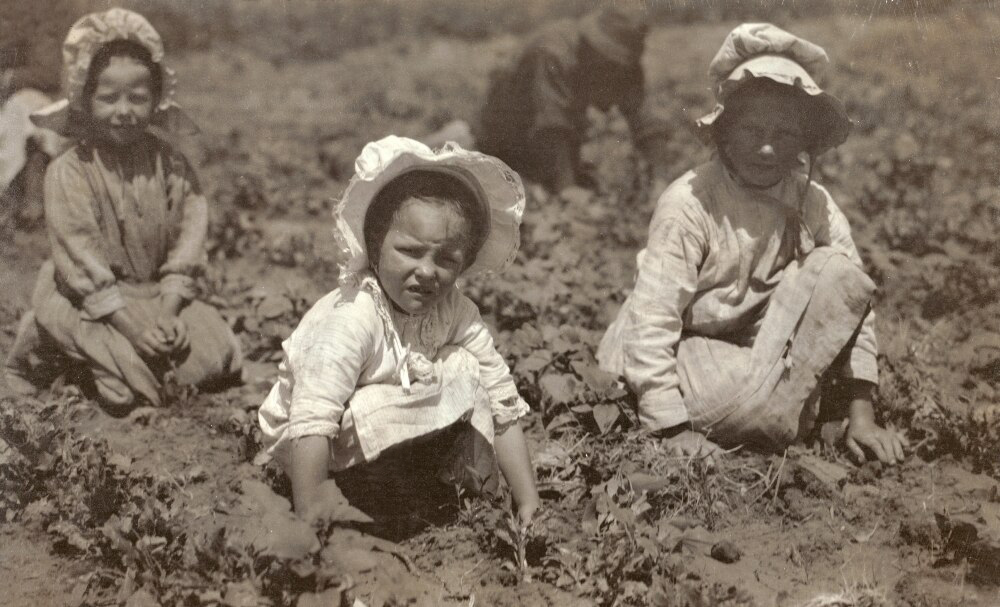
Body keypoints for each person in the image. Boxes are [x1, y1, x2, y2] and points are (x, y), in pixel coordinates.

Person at [597, 23, 908, 466]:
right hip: (686, 345)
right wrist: (672, 428)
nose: (766, 148)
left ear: (804, 142)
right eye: (750, 130)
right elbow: (654, 320)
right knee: (752, 404)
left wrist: (862, 414)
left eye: (783, 134)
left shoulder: (812, 201)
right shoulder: (690, 203)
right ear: (722, 131)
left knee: (839, 269)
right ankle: (777, 412)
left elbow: (854, 302)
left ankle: (787, 410)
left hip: (755, 347)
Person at [258, 136, 541, 525]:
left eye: (446, 259)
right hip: (307, 447)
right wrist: (310, 508)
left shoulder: (455, 311)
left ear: (465, 263)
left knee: (469, 366)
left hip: (386, 422)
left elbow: (501, 399)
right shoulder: (351, 317)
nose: (427, 271)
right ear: (375, 248)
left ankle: (410, 487)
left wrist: (527, 496)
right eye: (409, 251)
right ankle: (346, 496)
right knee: (368, 413)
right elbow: (312, 415)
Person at [3, 8, 242, 414]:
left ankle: (86, 357)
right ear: (85, 98)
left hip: (154, 295)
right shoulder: (69, 170)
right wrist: (131, 328)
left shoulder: (171, 163)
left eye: (138, 97)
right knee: (127, 387)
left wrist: (168, 315)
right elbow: (80, 260)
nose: (124, 110)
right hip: (90, 300)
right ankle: (51, 344)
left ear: (157, 99)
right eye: (109, 98)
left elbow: (189, 237)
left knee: (219, 353)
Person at [476, 5, 671, 193]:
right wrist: (568, 190)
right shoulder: (552, 53)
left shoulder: (621, 60)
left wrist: (660, 182)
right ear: (593, 48)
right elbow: (552, 125)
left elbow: (645, 118)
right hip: (506, 136)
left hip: (556, 134)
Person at [0, 2, 76, 229]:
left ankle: (29, 204)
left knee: (28, 114)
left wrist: (7, 80)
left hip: (24, 100)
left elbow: (47, 72)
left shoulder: (37, 16)